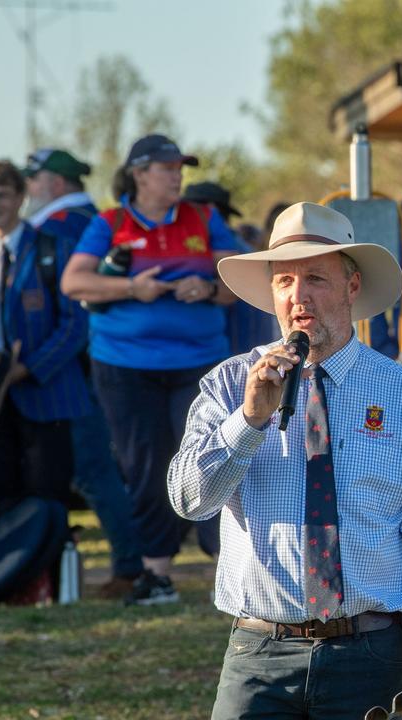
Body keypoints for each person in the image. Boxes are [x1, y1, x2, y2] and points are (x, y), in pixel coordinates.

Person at [167, 202, 402, 718]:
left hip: (370, 650)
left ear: (352, 286)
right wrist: (248, 421)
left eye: (316, 279)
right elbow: (190, 502)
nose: (298, 297)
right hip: (259, 651)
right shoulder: (228, 384)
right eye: (283, 281)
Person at [61, 134, 241, 605]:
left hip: (199, 363)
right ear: (139, 174)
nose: (177, 175)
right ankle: (156, 574)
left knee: (211, 452)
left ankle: (232, 563)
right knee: (145, 466)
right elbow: (74, 280)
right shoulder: (111, 222)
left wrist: (207, 286)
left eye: (180, 168)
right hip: (125, 365)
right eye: (167, 168)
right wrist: (130, 289)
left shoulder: (205, 218)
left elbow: (240, 277)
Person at [23, 147, 145, 597]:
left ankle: (131, 564)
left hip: (72, 370)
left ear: (54, 183)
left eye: (32, 181)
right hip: (82, 365)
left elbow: (76, 308)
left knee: (93, 470)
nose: (27, 191)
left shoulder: (66, 226)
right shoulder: (89, 220)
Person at [0, 159, 89, 508]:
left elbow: (75, 324)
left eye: (2, 195)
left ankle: (49, 564)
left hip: (47, 396)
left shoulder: (53, 249)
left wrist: (28, 367)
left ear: (20, 199)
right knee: (0, 505)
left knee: (49, 503)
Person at [183, 181, 280, 357]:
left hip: (234, 356)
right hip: (258, 351)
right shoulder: (246, 251)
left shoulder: (219, 254)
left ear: (209, 210)